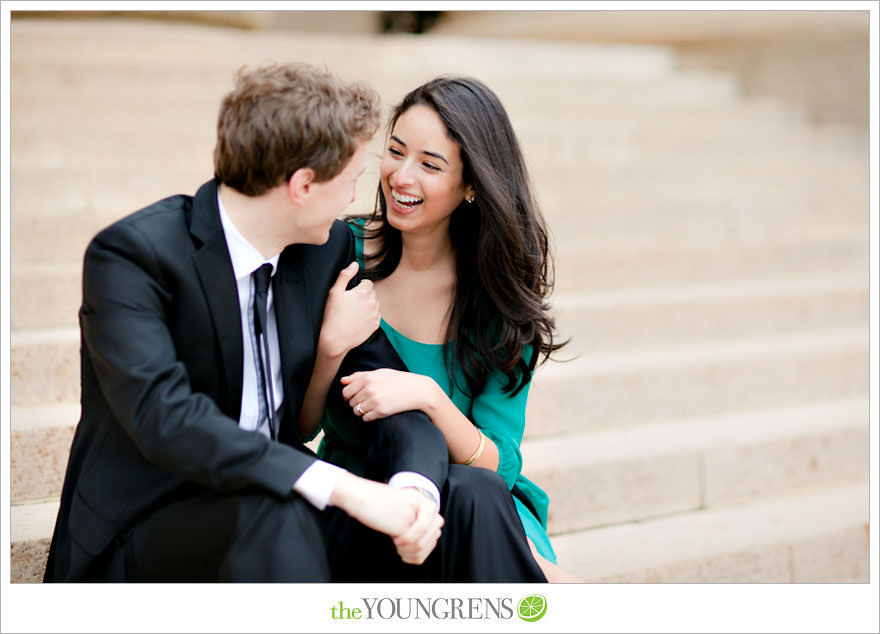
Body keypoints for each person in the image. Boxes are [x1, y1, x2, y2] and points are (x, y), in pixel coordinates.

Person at [43, 63, 546, 583]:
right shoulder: (133, 257)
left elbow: (390, 389)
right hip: (150, 524)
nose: (360, 198)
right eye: (351, 179)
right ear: (304, 185)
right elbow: (168, 419)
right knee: (279, 513)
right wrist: (344, 487)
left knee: (470, 495)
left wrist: (412, 491)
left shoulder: (324, 252)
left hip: (280, 507)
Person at [304, 76, 578, 582]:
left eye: (430, 165)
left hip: (477, 501)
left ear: (471, 185)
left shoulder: (496, 298)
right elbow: (298, 430)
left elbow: (499, 465)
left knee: (478, 495)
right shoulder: (337, 254)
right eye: (395, 152)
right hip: (365, 488)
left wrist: (428, 397)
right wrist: (328, 349)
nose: (401, 177)